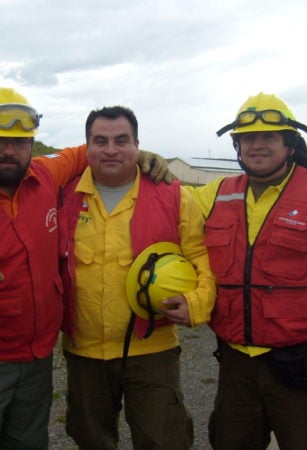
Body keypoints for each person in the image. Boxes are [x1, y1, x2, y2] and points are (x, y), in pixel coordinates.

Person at [0, 88, 168, 449]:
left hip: (35, 361)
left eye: (21, 142)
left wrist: (137, 156)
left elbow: (87, 152)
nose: (10, 151)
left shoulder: (44, 175)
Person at [190, 93, 307, 450]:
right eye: (248, 138)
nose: (257, 145)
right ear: (238, 146)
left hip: (299, 361)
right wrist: (145, 162)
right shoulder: (215, 194)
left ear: (290, 144)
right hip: (235, 362)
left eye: (269, 137)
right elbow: (170, 209)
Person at [59, 105, 217, 450]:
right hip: (83, 352)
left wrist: (197, 302)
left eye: (122, 140)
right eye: (100, 141)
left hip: (153, 350)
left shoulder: (174, 195)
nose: (111, 149)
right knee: (91, 440)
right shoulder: (61, 196)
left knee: (163, 439)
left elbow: (200, 258)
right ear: (86, 148)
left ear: (138, 145)